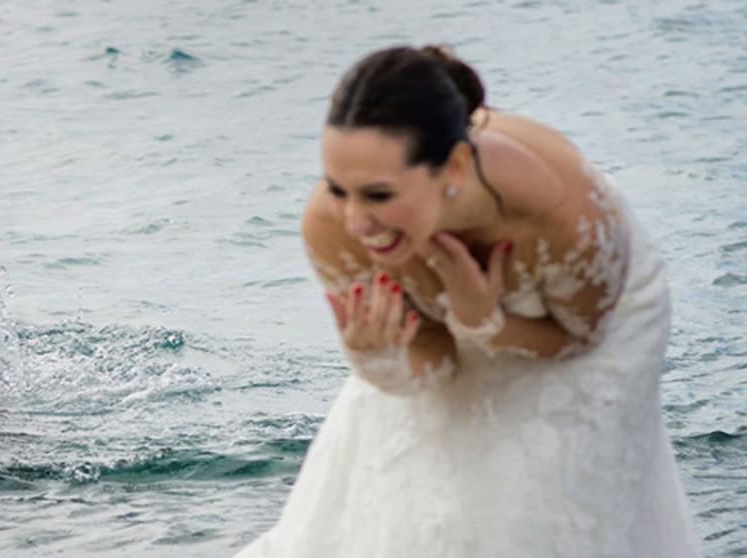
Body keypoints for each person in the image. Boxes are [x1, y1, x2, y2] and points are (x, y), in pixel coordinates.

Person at [237, 46, 699, 556]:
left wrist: (483, 323)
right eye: (336, 188)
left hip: (581, 323)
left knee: (540, 505)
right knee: (415, 492)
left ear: (454, 167)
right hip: (469, 313)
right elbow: (433, 361)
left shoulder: (560, 218)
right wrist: (378, 358)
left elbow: (579, 337)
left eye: (378, 195)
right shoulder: (332, 227)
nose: (354, 223)